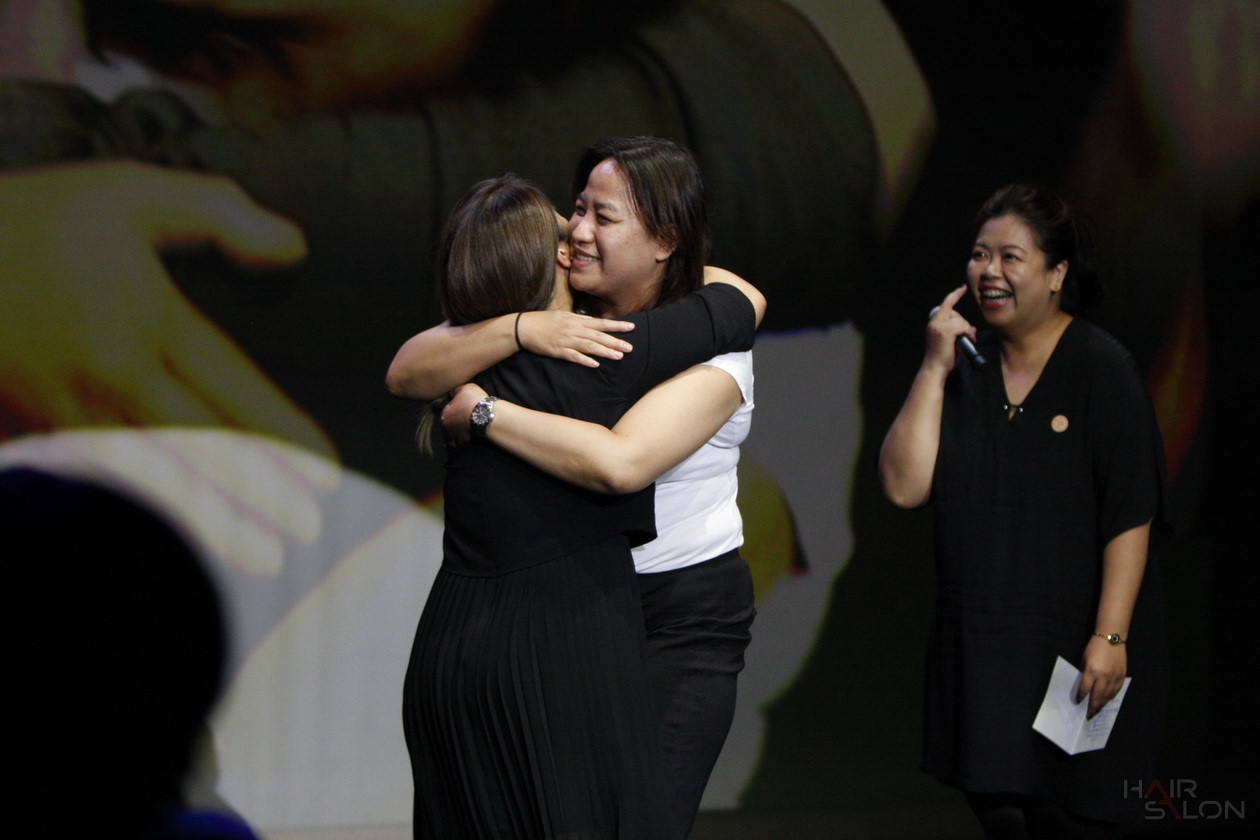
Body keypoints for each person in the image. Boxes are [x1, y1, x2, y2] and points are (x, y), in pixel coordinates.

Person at [389, 136, 758, 838]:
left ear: (665, 241)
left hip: (677, 615)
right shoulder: (553, 325)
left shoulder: (702, 350)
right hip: (581, 609)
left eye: (603, 217)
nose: (579, 232)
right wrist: (524, 327)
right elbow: (408, 367)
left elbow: (622, 463)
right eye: (574, 212)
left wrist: (485, 411)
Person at [879, 183, 1168, 838]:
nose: (989, 271)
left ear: (1057, 273)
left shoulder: (1102, 370)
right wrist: (933, 367)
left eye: (1011, 257)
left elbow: (1131, 513)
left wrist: (1111, 637)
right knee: (1001, 808)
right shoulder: (963, 368)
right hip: (982, 648)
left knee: (1066, 810)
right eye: (980, 255)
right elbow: (902, 487)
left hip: (1075, 652)